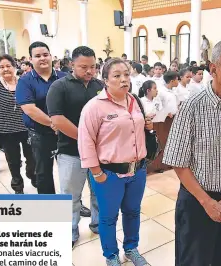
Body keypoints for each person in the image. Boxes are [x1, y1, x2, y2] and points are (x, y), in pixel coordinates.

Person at [163, 39, 221, 266]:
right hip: (196, 202)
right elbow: (178, 163)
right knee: (194, 260)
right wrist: (206, 202)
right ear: (213, 69)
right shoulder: (193, 106)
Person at [78, 58, 153, 266]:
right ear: (105, 80)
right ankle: (111, 255)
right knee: (109, 217)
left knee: (132, 211)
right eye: (117, 76)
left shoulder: (135, 101)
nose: (123, 80)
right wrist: (97, 173)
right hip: (109, 174)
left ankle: (131, 248)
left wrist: (147, 125)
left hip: (137, 170)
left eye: (126, 75)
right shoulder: (94, 107)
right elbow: (86, 143)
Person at [46, 46, 100, 247]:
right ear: (72, 65)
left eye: (93, 67)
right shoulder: (60, 86)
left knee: (99, 193)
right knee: (70, 195)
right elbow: (58, 119)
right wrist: (85, 139)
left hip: (98, 152)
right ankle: (70, 231)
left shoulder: (99, 85)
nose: (89, 71)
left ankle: (98, 224)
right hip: (71, 151)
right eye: (83, 67)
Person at [16, 41, 67, 194]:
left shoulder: (64, 77)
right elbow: (29, 109)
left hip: (65, 133)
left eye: (45, 55)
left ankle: (74, 204)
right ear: (30, 59)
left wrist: (63, 126)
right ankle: (48, 208)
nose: (42, 58)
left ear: (51, 56)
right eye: (37, 56)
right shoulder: (25, 81)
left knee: (70, 171)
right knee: (44, 172)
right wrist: (54, 124)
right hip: (40, 134)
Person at [0, 54, 35, 193]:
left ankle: (32, 175)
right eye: (1, 67)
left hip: (27, 127)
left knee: (32, 158)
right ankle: (18, 187)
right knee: (13, 162)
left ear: (14, 67)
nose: (5, 69)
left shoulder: (24, 82)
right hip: (6, 130)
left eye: (8, 66)